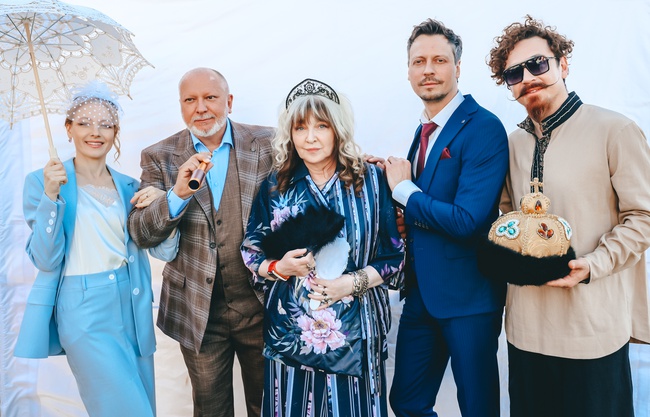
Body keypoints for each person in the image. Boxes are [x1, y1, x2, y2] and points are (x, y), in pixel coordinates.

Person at [487, 15, 650, 417]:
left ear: (562, 64)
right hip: (525, 334)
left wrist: (593, 264)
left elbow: (643, 216)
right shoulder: (512, 144)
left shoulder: (615, 130)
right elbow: (506, 217)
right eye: (514, 73)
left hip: (592, 332)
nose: (528, 78)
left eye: (537, 64)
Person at [13, 81, 178, 417]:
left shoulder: (130, 186)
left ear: (115, 132)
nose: (95, 132)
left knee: (143, 406)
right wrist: (51, 196)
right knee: (123, 410)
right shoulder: (40, 182)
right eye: (85, 122)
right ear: (68, 128)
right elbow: (45, 259)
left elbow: (164, 252)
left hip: (132, 306)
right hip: (82, 310)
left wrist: (167, 206)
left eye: (105, 124)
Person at [241, 78, 404, 416]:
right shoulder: (276, 186)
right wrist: (278, 267)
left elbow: (394, 257)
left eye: (321, 126)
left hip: (356, 336)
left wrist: (351, 283)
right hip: (291, 337)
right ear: (290, 134)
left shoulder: (371, 181)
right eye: (300, 128)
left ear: (338, 130)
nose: (310, 137)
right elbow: (251, 251)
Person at [127, 67, 274, 417]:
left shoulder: (269, 143)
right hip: (197, 312)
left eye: (210, 97)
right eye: (190, 100)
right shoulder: (159, 156)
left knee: (269, 405)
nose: (201, 107)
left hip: (262, 305)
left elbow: (316, 169)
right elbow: (141, 232)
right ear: (181, 106)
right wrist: (176, 195)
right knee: (210, 410)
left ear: (229, 101)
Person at [383, 19, 509, 417]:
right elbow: (428, 203)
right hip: (422, 295)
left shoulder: (484, 127)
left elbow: (467, 220)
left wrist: (404, 190)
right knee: (406, 402)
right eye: (418, 61)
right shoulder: (424, 130)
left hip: (470, 299)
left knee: (477, 408)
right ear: (408, 71)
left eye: (439, 60)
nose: (428, 69)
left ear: (458, 67)